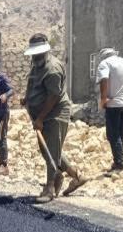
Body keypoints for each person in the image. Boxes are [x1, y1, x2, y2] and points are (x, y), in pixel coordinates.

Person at [21, 34, 88, 203]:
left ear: (45, 51)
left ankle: (50, 187)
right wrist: (28, 99)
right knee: (49, 150)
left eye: (38, 54)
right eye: (33, 54)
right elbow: (36, 87)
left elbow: (53, 96)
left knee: (51, 150)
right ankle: (76, 176)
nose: (35, 57)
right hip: (42, 113)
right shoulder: (37, 65)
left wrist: (41, 118)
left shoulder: (52, 69)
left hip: (55, 113)